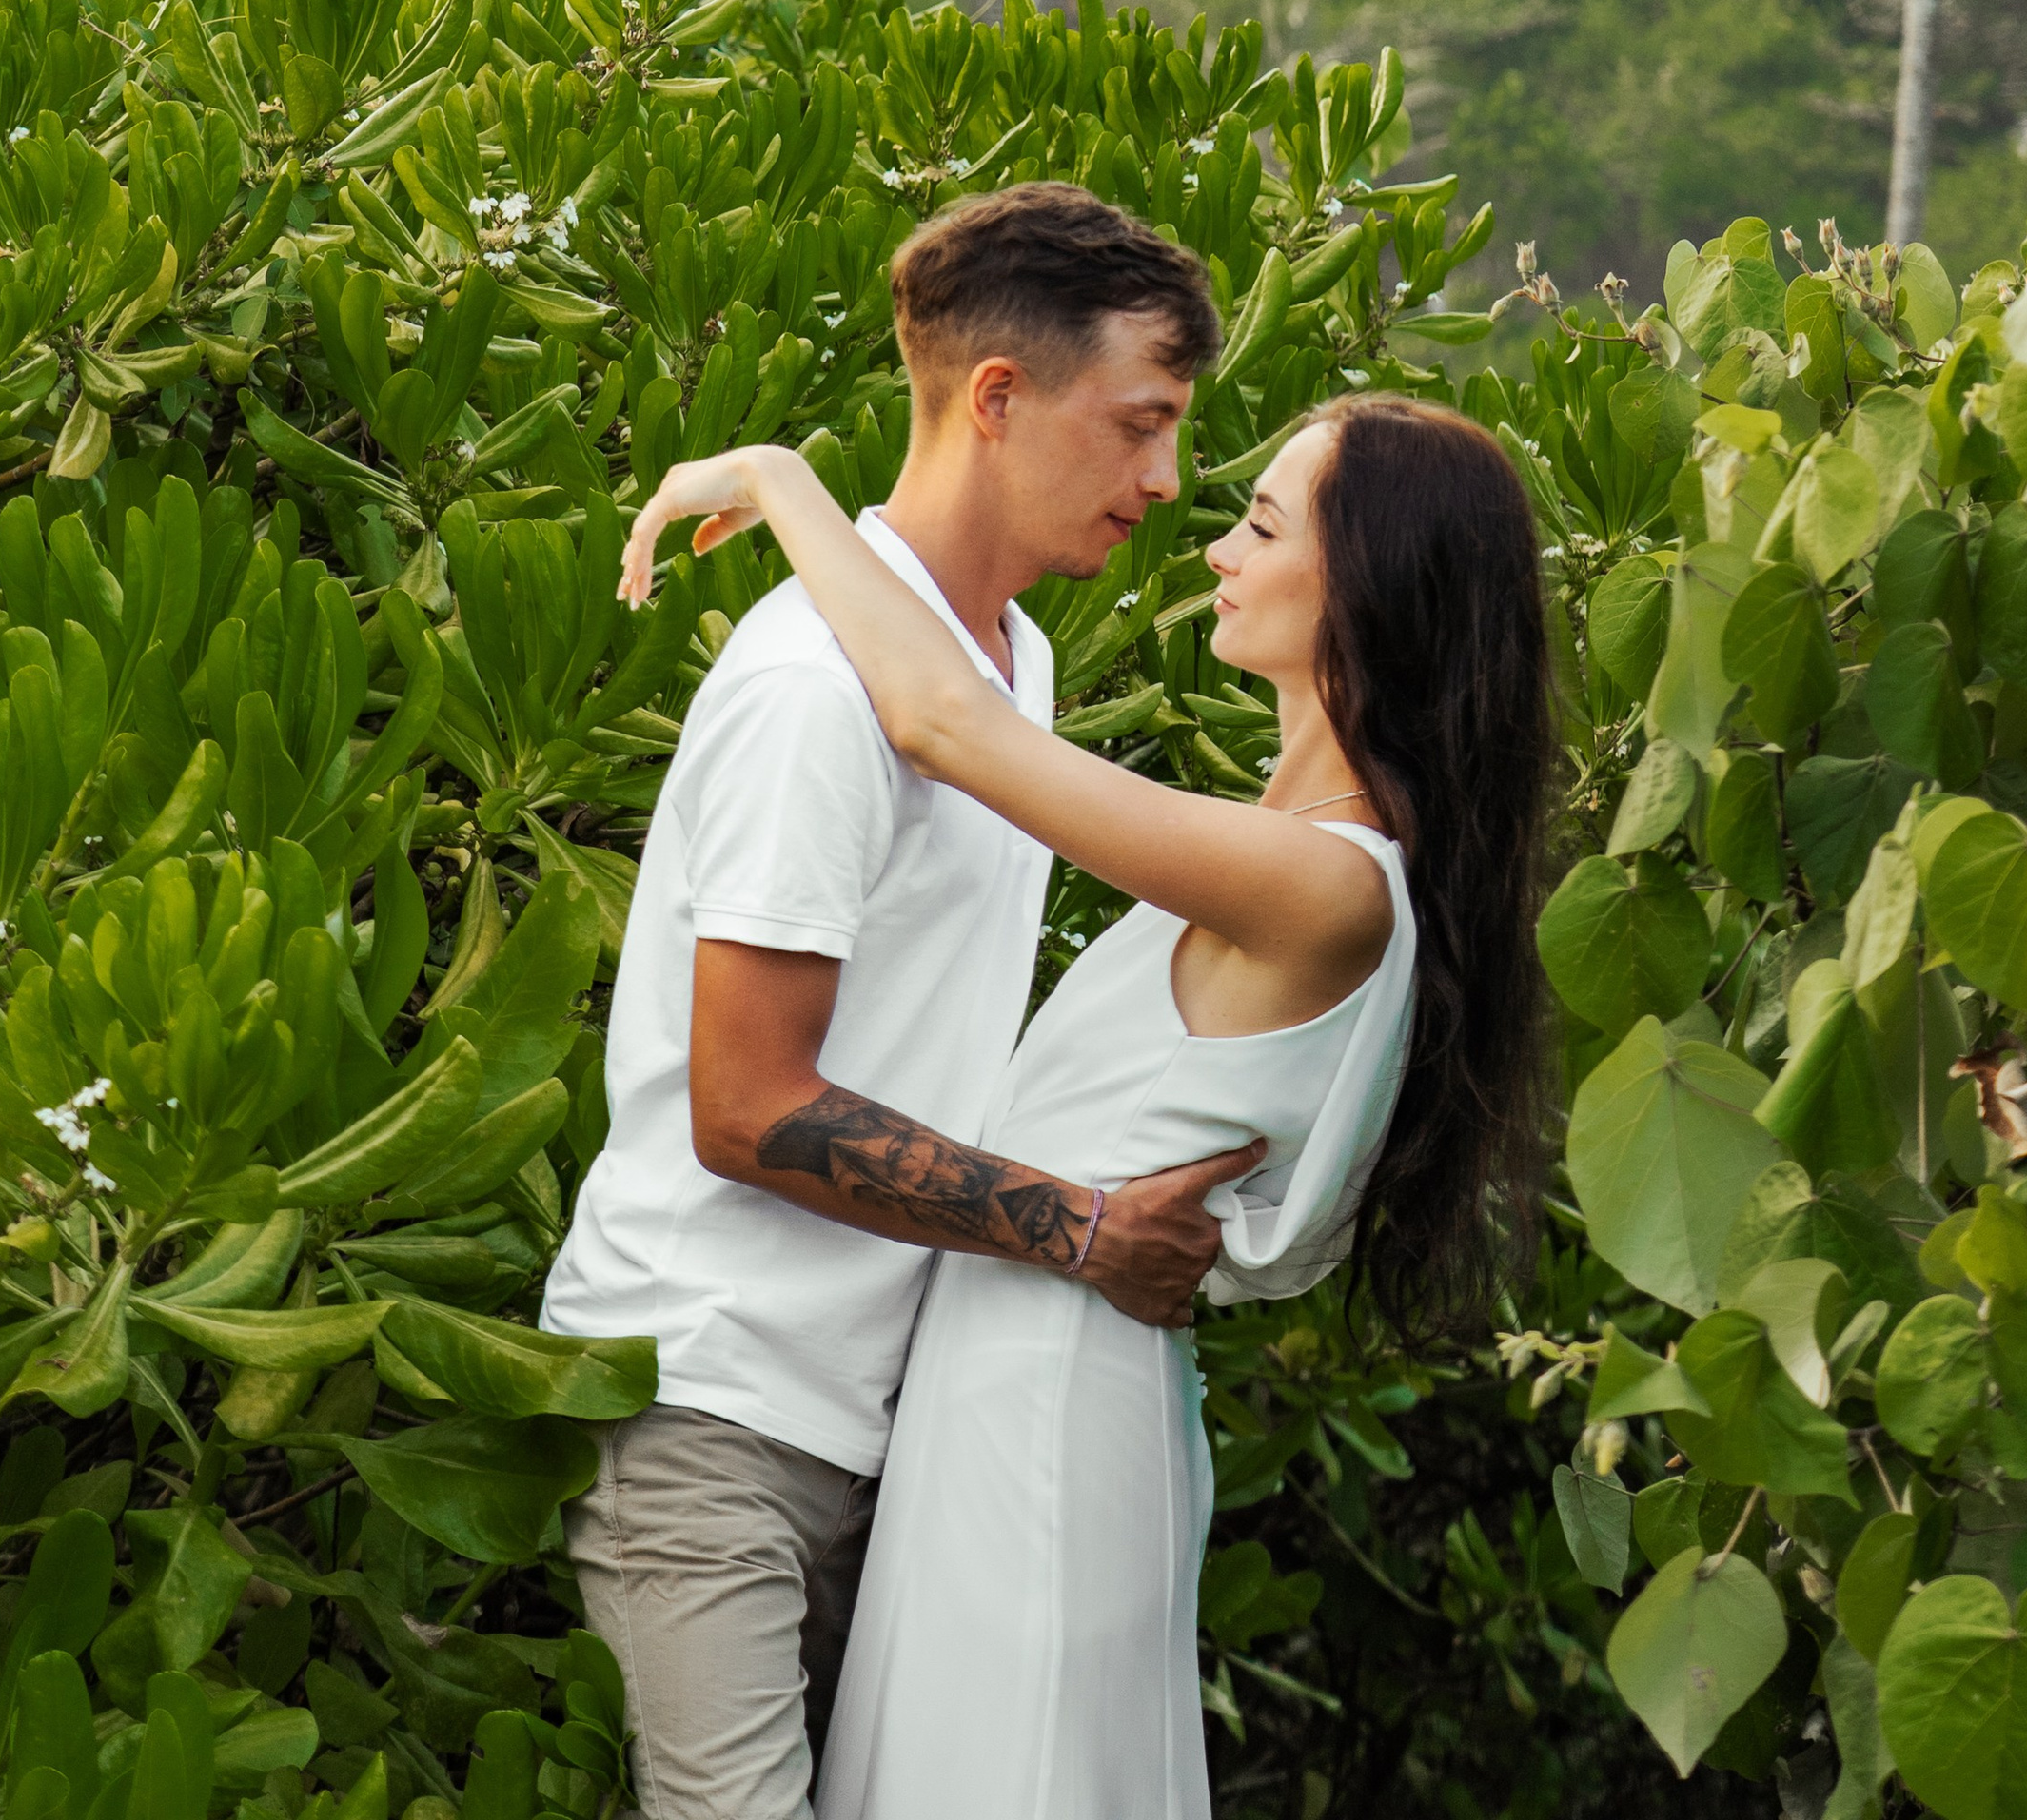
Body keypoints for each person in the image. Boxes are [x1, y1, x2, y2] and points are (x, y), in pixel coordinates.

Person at [620, 389, 1557, 1820]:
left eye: (1258, 523)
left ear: (1367, 581)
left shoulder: (1323, 877)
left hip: (1045, 1399)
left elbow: (943, 719)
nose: (1212, 551)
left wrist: (783, 480)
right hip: (1003, 1374)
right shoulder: (1285, 847)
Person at [543, 181, 1247, 1820]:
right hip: (710, 1400)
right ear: (998, 399)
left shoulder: (1013, 665)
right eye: (1138, 424)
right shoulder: (810, 691)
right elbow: (748, 1105)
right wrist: (1081, 1226)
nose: (1162, 479)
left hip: (890, 1416)